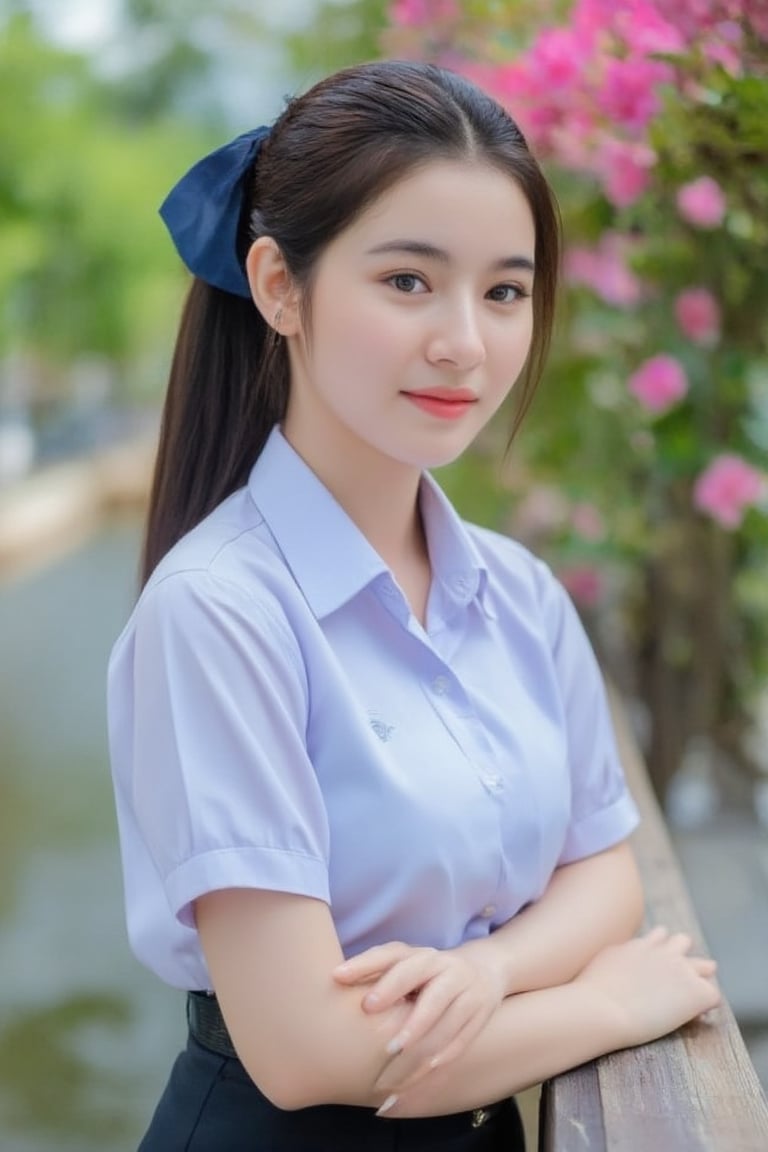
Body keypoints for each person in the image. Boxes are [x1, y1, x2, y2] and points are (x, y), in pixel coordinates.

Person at [107, 58, 720, 1152]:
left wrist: (482, 971)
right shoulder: (219, 610)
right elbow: (309, 1054)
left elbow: (607, 872)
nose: (465, 345)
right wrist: (608, 1005)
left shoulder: (518, 592)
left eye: (504, 291)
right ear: (280, 285)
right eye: (407, 281)